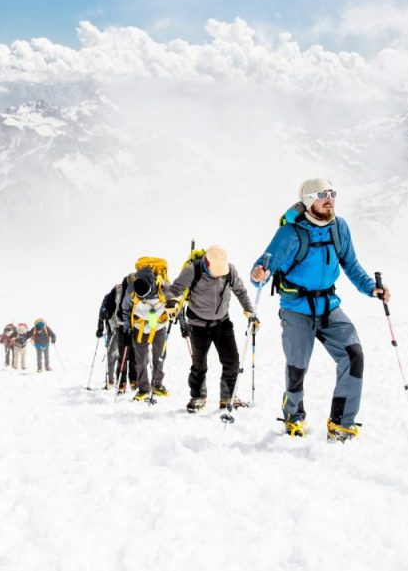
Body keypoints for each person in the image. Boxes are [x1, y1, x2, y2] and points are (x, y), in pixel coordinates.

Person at [250, 178, 390, 442]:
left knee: (353, 355)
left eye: (332, 194)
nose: (330, 199)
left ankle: (341, 424)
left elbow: (351, 264)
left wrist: (371, 288)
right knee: (298, 367)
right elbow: (262, 268)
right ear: (308, 200)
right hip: (296, 309)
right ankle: (293, 416)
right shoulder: (290, 233)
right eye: (322, 195)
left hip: (329, 307)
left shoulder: (339, 227)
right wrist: (258, 275)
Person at [165, 246, 256, 413]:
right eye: (216, 271)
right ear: (207, 263)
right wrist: (171, 302)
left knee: (232, 361)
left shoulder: (230, 271)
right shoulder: (193, 270)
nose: (219, 275)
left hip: (222, 322)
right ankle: (198, 396)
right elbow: (172, 290)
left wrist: (250, 312)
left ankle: (228, 396)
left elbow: (241, 292)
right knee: (199, 364)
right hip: (198, 325)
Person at [120, 260, 172, 401]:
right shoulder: (131, 290)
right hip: (140, 327)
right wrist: (127, 330)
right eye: (140, 297)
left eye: (144, 296)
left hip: (159, 326)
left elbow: (175, 302)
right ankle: (143, 389)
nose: (142, 298)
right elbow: (126, 309)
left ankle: (157, 385)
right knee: (141, 360)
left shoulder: (163, 287)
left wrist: (181, 321)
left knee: (159, 357)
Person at [96, 275, 138, 391]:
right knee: (112, 353)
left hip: (130, 326)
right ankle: (110, 380)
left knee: (131, 354)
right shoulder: (116, 291)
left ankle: (131, 380)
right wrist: (100, 327)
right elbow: (103, 310)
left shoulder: (138, 290)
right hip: (114, 325)